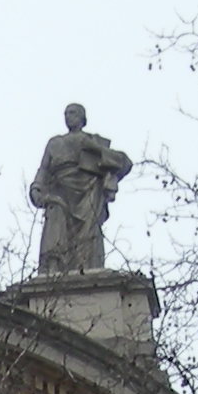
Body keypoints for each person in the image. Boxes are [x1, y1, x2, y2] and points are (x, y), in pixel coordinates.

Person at [28, 102, 132, 273]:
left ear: (83, 118)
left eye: (73, 113)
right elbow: (44, 169)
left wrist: (97, 150)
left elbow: (125, 163)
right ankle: (53, 268)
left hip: (88, 191)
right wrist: (36, 188)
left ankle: (86, 269)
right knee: (55, 222)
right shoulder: (55, 143)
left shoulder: (92, 140)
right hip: (60, 191)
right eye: (66, 113)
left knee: (87, 236)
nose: (68, 117)